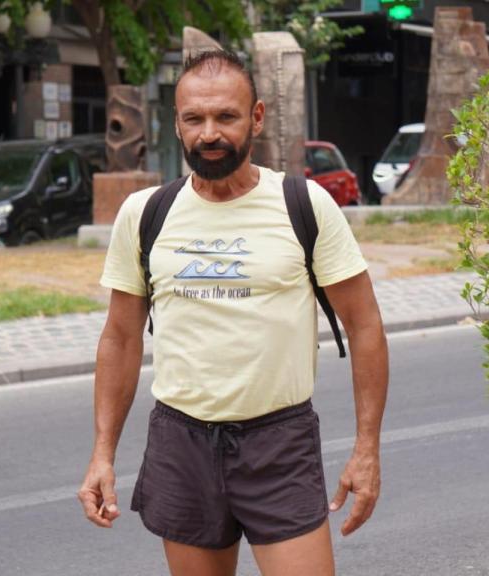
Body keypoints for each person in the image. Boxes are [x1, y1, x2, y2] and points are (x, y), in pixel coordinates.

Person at [77, 49, 389, 576]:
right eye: (194, 119)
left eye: (226, 116)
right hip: (181, 442)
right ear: (177, 123)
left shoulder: (303, 204)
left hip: (279, 443)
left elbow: (365, 326)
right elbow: (121, 338)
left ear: (256, 117)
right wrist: (102, 453)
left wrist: (367, 450)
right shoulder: (145, 213)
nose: (209, 134)